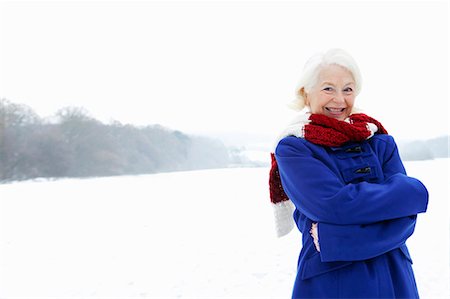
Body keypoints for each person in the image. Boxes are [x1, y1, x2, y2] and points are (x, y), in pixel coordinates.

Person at [268, 48, 429, 298]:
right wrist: (400, 196)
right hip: (333, 281)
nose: (339, 99)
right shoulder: (293, 148)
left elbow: (406, 217)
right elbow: (334, 206)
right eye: (328, 88)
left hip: (395, 278)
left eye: (348, 89)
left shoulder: (379, 141)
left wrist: (332, 240)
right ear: (305, 92)